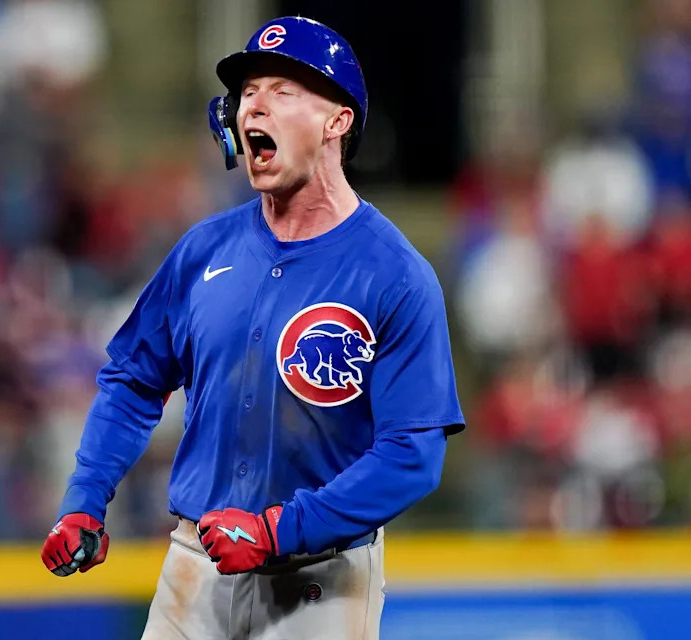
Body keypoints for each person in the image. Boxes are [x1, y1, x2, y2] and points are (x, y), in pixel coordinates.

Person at [40, 16, 465, 639]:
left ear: (337, 121)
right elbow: (132, 379)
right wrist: (85, 499)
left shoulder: (395, 274)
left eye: (282, 90)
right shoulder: (203, 249)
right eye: (247, 91)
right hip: (196, 565)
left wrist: (278, 530)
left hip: (321, 579)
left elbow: (412, 456)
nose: (252, 105)